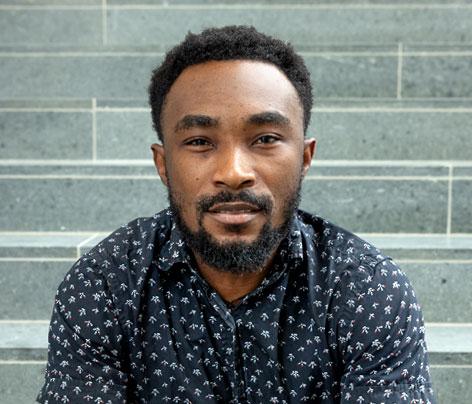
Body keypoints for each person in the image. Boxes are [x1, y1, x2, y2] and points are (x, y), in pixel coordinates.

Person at [37, 26, 435, 403]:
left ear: (305, 157)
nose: (233, 172)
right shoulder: (106, 286)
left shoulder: (366, 290)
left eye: (264, 139)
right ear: (163, 164)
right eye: (199, 141)